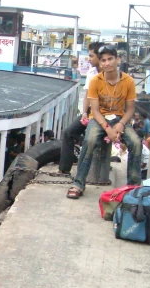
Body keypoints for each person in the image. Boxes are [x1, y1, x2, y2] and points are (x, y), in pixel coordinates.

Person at [67, 45, 142, 199]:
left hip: (120, 118)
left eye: (110, 59)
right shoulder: (96, 81)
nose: (107, 63)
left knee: (135, 142)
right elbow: (94, 110)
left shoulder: (128, 81)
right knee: (90, 140)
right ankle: (78, 183)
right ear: (100, 64)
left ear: (117, 60)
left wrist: (121, 124)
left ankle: (133, 186)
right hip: (100, 119)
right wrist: (108, 129)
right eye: (103, 60)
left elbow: (130, 109)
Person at [58, 42, 104, 175]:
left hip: (105, 113)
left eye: (91, 56)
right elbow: (87, 96)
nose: (88, 59)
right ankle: (64, 168)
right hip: (91, 112)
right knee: (68, 132)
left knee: (91, 137)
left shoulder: (109, 74)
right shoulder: (91, 73)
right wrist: (84, 113)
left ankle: (82, 174)